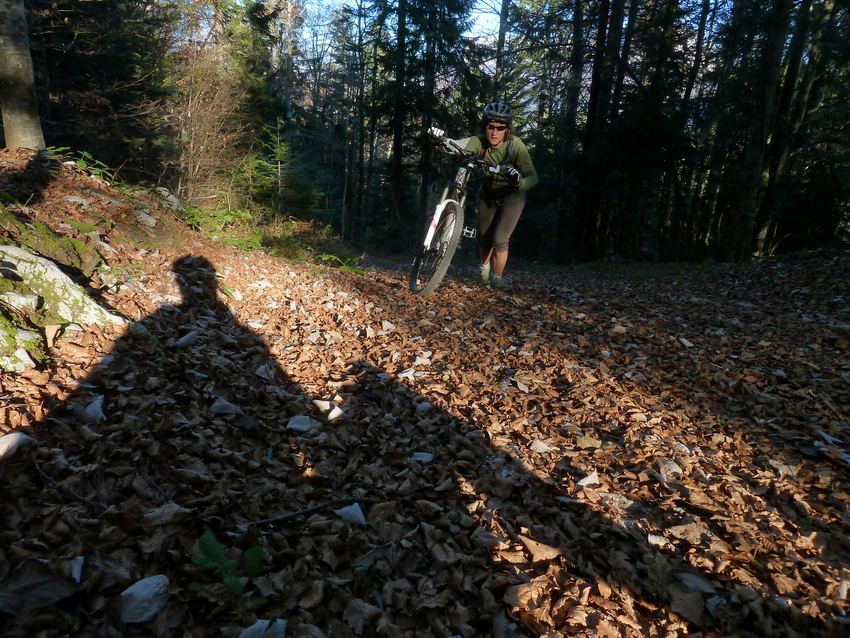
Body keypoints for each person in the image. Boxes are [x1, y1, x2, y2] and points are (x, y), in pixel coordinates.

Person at [429, 100, 538, 289]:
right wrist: (439, 137)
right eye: (491, 127)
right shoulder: (478, 142)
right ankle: (484, 269)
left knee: (500, 239)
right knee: (485, 238)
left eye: (500, 128)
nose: (495, 132)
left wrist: (520, 182)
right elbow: (456, 145)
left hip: (513, 197)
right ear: (485, 126)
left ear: (507, 130)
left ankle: (497, 278)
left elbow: (533, 177)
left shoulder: (516, 146)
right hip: (488, 196)